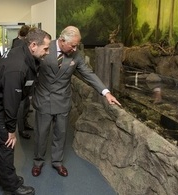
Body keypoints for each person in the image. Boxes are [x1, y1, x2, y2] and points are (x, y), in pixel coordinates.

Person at [31, 26, 121, 177]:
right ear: (62, 40)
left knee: (61, 134)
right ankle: (38, 161)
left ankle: (57, 162)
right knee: (41, 133)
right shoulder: (45, 47)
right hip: (44, 99)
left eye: (77, 45)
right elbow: (31, 68)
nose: (74, 49)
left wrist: (106, 92)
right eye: (73, 45)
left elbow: (88, 74)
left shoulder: (76, 55)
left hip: (63, 99)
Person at [0, 28, 51, 195]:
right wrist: (11, 130)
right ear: (33, 45)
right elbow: (11, 101)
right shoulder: (18, 67)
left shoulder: (24, 52)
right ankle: (12, 185)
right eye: (45, 48)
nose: (48, 52)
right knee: (5, 143)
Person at [11, 25, 34, 139]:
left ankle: (25, 124)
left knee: (26, 104)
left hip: (27, 79)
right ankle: (21, 130)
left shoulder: (21, 43)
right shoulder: (19, 44)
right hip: (22, 78)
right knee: (21, 106)